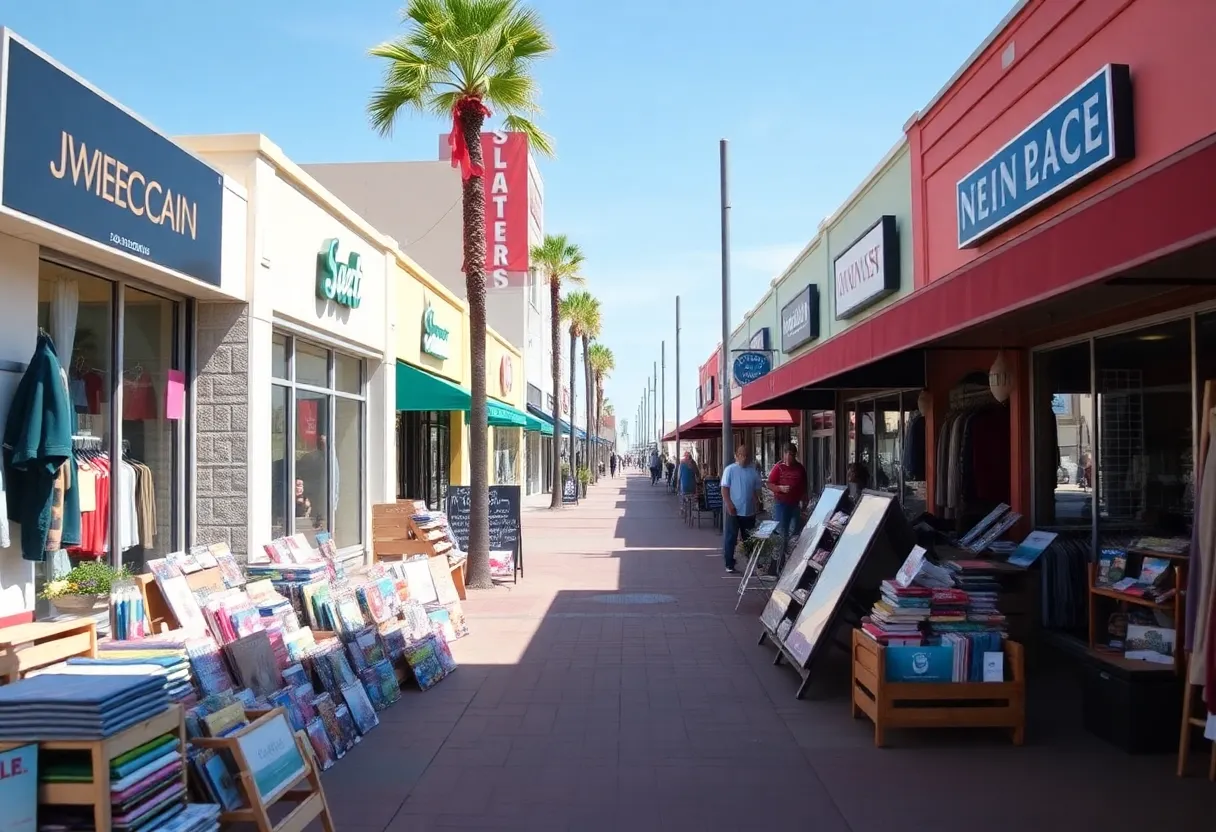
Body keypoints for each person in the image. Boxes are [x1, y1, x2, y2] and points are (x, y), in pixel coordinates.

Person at [720, 444, 764, 574]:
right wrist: (729, 504)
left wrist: (758, 503)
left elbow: (756, 490)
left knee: (749, 538)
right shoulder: (730, 470)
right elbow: (724, 489)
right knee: (731, 537)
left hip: (749, 511)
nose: (744, 458)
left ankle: (752, 562)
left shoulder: (753, 472)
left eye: (746, 456)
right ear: (736, 456)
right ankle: (729, 563)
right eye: (741, 455)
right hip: (733, 510)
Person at [767, 443, 808, 548]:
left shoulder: (800, 468)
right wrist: (779, 488)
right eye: (788, 455)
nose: (790, 458)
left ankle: (791, 552)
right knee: (782, 530)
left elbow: (804, 486)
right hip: (781, 503)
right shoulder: (778, 467)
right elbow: (770, 484)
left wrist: (805, 500)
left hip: (795, 503)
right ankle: (781, 555)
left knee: (796, 529)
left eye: (793, 455)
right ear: (784, 454)